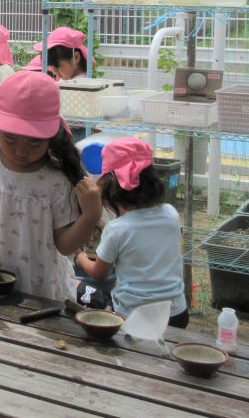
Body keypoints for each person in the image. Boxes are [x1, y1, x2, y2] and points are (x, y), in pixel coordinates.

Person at [0, 71, 102, 300]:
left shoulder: (56, 180)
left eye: (34, 142)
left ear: (51, 136)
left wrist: (91, 214)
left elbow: (65, 245)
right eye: (10, 139)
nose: (21, 151)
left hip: (42, 292)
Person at [75, 137, 187, 327]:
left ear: (110, 190)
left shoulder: (117, 229)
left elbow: (99, 275)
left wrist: (80, 257)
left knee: (75, 285)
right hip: (176, 314)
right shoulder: (171, 214)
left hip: (132, 318)